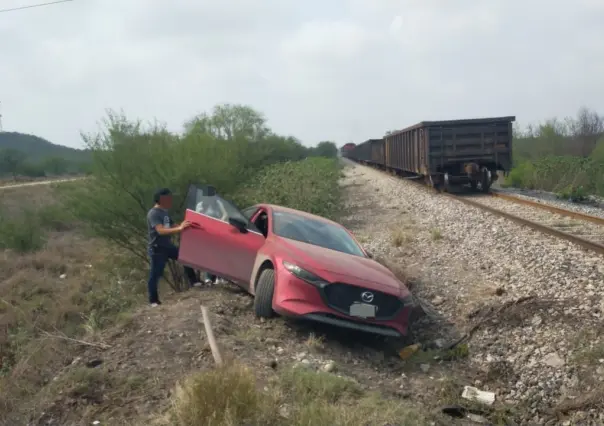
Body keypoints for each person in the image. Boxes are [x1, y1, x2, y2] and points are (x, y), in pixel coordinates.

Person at [147, 187, 202, 307]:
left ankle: (194, 282)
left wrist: (186, 227)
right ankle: (153, 301)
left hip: (167, 246)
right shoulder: (153, 214)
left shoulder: (164, 212)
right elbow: (160, 230)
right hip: (157, 248)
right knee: (156, 274)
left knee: (185, 257)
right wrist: (179, 229)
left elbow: (174, 225)